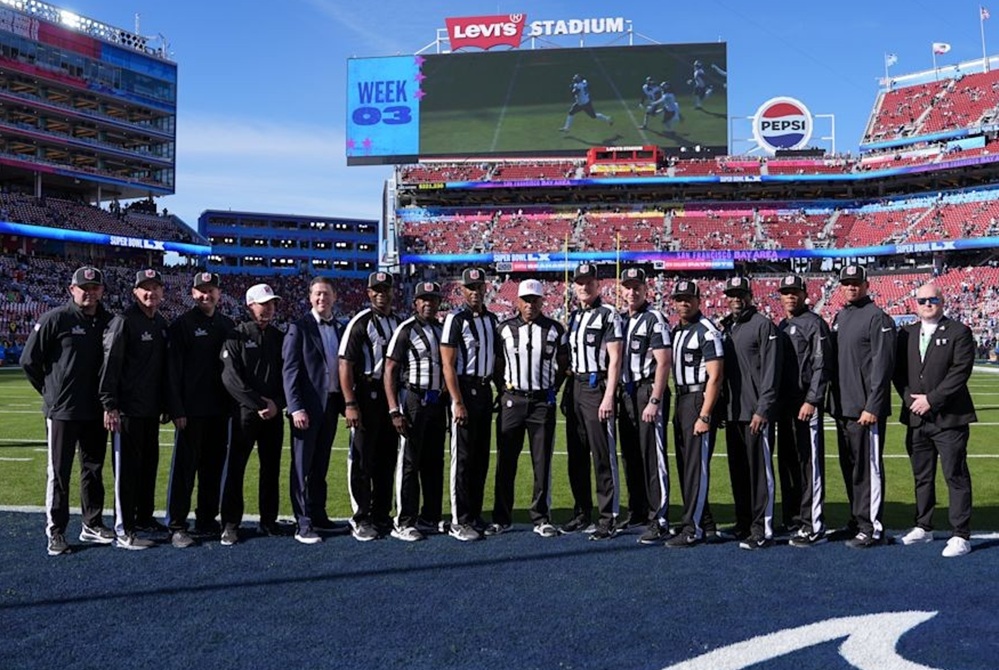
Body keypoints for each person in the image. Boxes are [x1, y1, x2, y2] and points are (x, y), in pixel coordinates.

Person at [22, 266, 114, 556]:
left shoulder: (108, 321)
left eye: (95, 287)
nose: (90, 292)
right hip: (62, 411)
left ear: (102, 291)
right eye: (84, 287)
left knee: (93, 470)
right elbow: (29, 361)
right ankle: (56, 531)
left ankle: (92, 523)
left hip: (95, 410)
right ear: (71, 289)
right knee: (59, 473)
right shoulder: (55, 318)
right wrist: (51, 394)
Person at [893, 283, 977, 558]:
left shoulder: (959, 332)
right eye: (922, 300)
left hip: (949, 418)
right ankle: (923, 526)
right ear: (914, 304)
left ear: (942, 301)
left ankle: (960, 534)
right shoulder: (905, 333)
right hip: (917, 418)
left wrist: (931, 399)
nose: (927, 304)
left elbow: (960, 372)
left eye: (932, 299)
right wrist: (909, 400)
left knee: (955, 475)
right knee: (922, 475)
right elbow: (898, 373)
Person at [487, 279, 568, 538]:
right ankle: (502, 517)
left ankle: (541, 517)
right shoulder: (504, 329)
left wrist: (551, 389)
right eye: (525, 300)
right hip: (512, 400)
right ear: (517, 301)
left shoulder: (555, 329)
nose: (529, 305)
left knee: (541, 462)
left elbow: (563, 363)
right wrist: (504, 391)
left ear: (542, 301)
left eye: (534, 300)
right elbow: (497, 366)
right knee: (505, 461)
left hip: (542, 403)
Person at [99, 268, 169, 551]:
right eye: (145, 288)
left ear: (163, 292)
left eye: (155, 288)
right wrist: (110, 404)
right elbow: (110, 364)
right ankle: (123, 529)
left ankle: (143, 517)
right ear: (135, 292)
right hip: (127, 410)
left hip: (151, 410)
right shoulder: (123, 321)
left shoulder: (161, 323)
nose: (150, 292)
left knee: (148, 467)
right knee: (126, 472)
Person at [164, 271, 236, 549]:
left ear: (219, 293)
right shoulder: (182, 325)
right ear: (192, 294)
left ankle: (206, 517)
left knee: (213, 468)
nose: (206, 295)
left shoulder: (227, 324)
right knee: (184, 469)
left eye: (211, 290)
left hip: (219, 410)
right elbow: (172, 371)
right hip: (190, 411)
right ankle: (177, 524)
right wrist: (176, 408)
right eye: (201, 291)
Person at [828, 264, 896, 549]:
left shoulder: (878, 318)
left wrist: (873, 406)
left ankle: (872, 527)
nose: (851, 287)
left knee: (868, 470)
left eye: (856, 283)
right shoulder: (840, 316)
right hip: (843, 408)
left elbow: (883, 367)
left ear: (866, 285)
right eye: (846, 283)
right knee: (850, 469)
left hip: (865, 411)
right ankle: (857, 521)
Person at [218, 283, 286, 546]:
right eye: (263, 303)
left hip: (273, 415)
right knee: (235, 470)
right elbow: (230, 379)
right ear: (250, 306)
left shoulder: (280, 337)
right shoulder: (235, 336)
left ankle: (269, 521)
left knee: (271, 470)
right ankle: (230, 525)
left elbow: (288, 377)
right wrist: (259, 403)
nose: (268, 308)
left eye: (271, 303)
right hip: (243, 415)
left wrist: (277, 404)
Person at [718, 276, 782, 550]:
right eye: (731, 294)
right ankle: (743, 523)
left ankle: (761, 528)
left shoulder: (763, 325)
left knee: (759, 474)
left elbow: (772, 371)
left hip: (756, 413)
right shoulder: (726, 328)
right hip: (733, 412)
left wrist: (763, 408)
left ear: (749, 295)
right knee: (739, 473)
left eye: (740, 294)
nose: (735, 299)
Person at [283, 276, 346, 545]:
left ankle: (318, 515)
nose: (322, 299)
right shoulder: (299, 328)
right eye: (317, 294)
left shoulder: (340, 328)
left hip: (331, 405)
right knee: (301, 467)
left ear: (335, 297)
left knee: (320, 465)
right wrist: (295, 407)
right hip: (306, 409)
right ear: (310, 298)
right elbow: (290, 371)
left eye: (327, 294)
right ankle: (303, 522)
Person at [340, 271, 401, 541]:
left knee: (387, 460)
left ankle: (381, 514)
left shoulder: (398, 322)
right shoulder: (360, 322)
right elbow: (345, 364)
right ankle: (361, 516)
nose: (381, 294)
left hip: (390, 397)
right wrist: (350, 403)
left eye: (385, 289)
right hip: (366, 394)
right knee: (362, 460)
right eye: (376, 290)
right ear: (368, 293)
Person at [563, 263, 623, 540]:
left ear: (598, 284)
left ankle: (608, 515)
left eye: (589, 282)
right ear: (574, 286)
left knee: (602, 454)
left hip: (596, 386)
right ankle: (581, 511)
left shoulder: (608, 314)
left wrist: (609, 395)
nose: (584, 287)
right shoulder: (574, 317)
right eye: (579, 282)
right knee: (576, 454)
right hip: (574, 386)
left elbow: (615, 360)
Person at [384, 281, 447, 542]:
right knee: (410, 461)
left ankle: (429, 516)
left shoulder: (442, 330)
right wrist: (393, 410)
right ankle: (404, 520)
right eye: (424, 299)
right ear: (415, 303)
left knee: (434, 462)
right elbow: (390, 369)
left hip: (437, 401)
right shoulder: (406, 329)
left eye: (432, 299)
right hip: (413, 398)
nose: (428, 303)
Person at [440, 267, 499, 541]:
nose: (475, 292)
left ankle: (475, 514)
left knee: (479, 458)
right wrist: (456, 401)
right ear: (462, 290)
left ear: (485, 288)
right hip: (464, 389)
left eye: (479, 287)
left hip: (484, 391)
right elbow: (448, 365)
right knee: (462, 459)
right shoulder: (456, 319)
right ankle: (459, 520)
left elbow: (497, 359)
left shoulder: (491, 319)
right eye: (470, 288)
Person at [665, 279, 724, 548]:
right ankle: (707, 521)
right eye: (679, 299)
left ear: (699, 300)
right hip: (681, 398)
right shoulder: (678, 331)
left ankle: (692, 528)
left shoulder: (707, 330)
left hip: (698, 398)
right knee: (686, 465)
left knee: (695, 468)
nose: (683, 303)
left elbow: (715, 376)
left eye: (688, 298)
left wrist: (705, 414)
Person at [616, 267, 673, 545]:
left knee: (653, 456)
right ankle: (637, 510)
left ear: (645, 289)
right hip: (626, 394)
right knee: (631, 455)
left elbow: (664, 362)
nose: (632, 292)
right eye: (627, 287)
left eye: (637, 287)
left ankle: (659, 518)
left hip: (646, 390)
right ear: (621, 290)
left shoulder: (655, 319)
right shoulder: (621, 320)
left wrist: (655, 399)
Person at [776, 274, 832, 548]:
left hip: (804, 404)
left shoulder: (814, 324)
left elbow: (822, 366)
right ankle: (795, 518)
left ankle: (814, 524)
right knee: (788, 463)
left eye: (795, 291)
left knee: (810, 465)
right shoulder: (781, 325)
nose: (790, 296)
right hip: (784, 407)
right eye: (785, 292)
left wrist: (812, 399)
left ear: (804, 293)